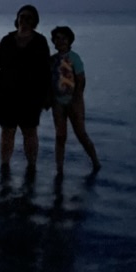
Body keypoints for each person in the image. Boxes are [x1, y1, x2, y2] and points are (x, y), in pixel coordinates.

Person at [0, 5, 52, 172]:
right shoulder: (7, 40)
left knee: (30, 132)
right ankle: (5, 167)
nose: (25, 20)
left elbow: (46, 71)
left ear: (35, 22)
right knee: (7, 132)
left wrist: (47, 96)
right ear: (17, 19)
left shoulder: (40, 42)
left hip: (30, 97)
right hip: (5, 95)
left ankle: (31, 168)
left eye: (29, 18)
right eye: (22, 17)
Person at [49, 25, 101, 175]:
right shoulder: (52, 60)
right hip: (58, 102)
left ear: (70, 40)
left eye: (64, 39)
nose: (60, 41)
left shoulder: (74, 58)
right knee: (60, 136)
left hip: (74, 101)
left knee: (81, 134)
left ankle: (95, 161)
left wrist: (77, 99)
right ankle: (59, 168)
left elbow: (81, 80)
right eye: (57, 39)